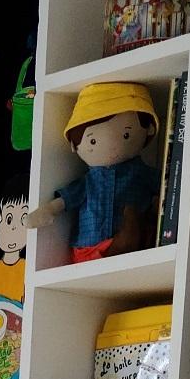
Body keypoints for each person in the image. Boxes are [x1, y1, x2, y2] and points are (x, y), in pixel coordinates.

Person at [28, 80, 162, 261]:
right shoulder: (88, 182)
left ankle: (132, 232)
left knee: (134, 225)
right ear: (75, 146)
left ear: (149, 130)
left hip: (129, 244)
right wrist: (49, 210)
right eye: (93, 141)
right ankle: (131, 231)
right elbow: (67, 199)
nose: (113, 147)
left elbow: (166, 186)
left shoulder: (140, 173)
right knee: (132, 221)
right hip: (87, 249)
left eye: (126, 135)